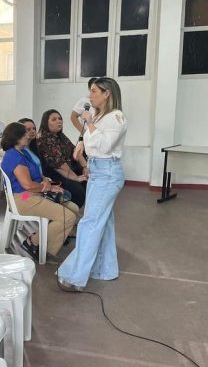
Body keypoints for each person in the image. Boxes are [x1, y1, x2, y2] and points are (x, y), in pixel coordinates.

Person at [57, 77, 128, 291]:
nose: (90, 95)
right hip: (98, 171)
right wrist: (80, 144)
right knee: (103, 223)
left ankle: (75, 277)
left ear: (107, 93)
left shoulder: (116, 117)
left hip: (107, 173)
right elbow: (90, 138)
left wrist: (88, 121)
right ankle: (104, 270)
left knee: (89, 223)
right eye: (90, 91)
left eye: (95, 91)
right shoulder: (99, 115)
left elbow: (105, 146)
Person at [0, 123, 79, 260]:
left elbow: (36, 174)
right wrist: (48, 187)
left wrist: (46, 181)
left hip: (31, 193)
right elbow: (28, 185)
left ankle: (44, 238)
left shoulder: (22, 152)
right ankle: (34, 241)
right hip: (22, 197)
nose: (28, 135)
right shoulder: (14, 156)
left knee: (73, 208)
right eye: (25, 133)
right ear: (16, 137)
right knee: (68, 217)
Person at [37, 109, 88, 208]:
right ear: (46, 123)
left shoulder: (60, 136)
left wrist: (85, 167)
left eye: (60, 119)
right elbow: (59, 165)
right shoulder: (45, 139)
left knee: (86, 181)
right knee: (79, 191)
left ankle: (74, 214)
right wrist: (76, 178)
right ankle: (68, 215)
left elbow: (75, 151)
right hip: (54, 174)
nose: (59, 121)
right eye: (54, 119)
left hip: (67, 170)